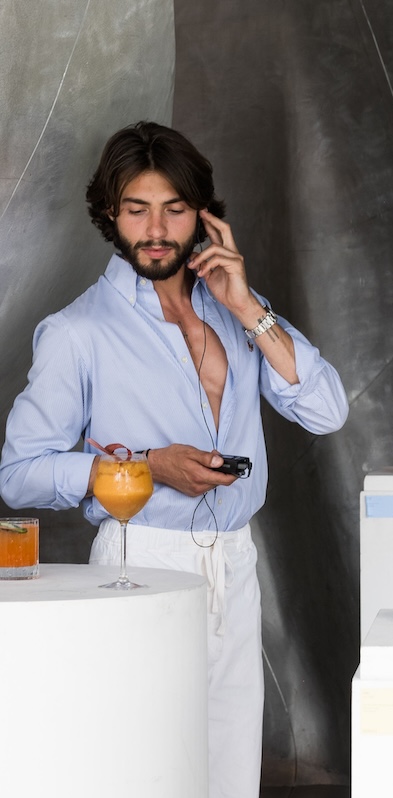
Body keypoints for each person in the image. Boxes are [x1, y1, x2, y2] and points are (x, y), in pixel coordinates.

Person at [0, 121, 349, 798]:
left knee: (228, 775)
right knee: (148, 772)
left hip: (235, 564)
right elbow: (18, 472)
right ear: (110, 213)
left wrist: (247, 306)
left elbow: (327, 409)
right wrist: (145, 468)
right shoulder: (79, 332)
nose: (156, 229)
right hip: (142, 562)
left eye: (175, 209)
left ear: (204, 216)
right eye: (137, 209)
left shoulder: (238, 313)